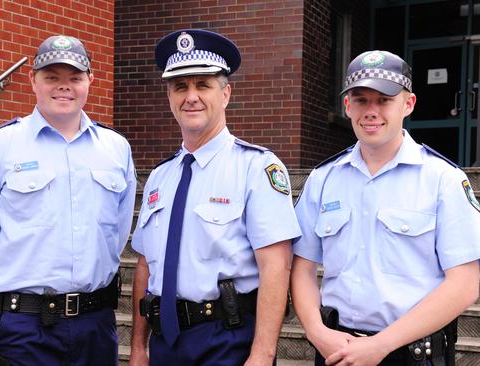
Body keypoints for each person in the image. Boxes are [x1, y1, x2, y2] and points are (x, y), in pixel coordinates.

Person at [291, 50, 480, 366]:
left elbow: (464, 284)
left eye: (384, 100)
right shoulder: (323, 179)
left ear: (408, 104)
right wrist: (315, 331)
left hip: (412, 354)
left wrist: (381, 345)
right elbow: (302, 268)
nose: (371, 111)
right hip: (336, 349)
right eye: (361, 100)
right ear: (347, 106)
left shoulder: (442, 180)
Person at [0, 34, 136, 365]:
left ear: (90, 82)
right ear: (32, 80)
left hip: (95, 322)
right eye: (52, 77)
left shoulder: (115, 148)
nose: (63, 87)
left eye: (75, 78)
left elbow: (117, 233)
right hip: (24, 326)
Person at [129, 29, 302, 366]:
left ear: (225, 94)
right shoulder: (160, 177)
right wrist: (139, 347)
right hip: (166, 342)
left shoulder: (256, 167)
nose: (190, 96)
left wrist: (263, 354)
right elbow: (145, 264)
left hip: (228, 341)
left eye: (203, 85)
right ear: (169, 97)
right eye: (180, 87)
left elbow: (276, 267)